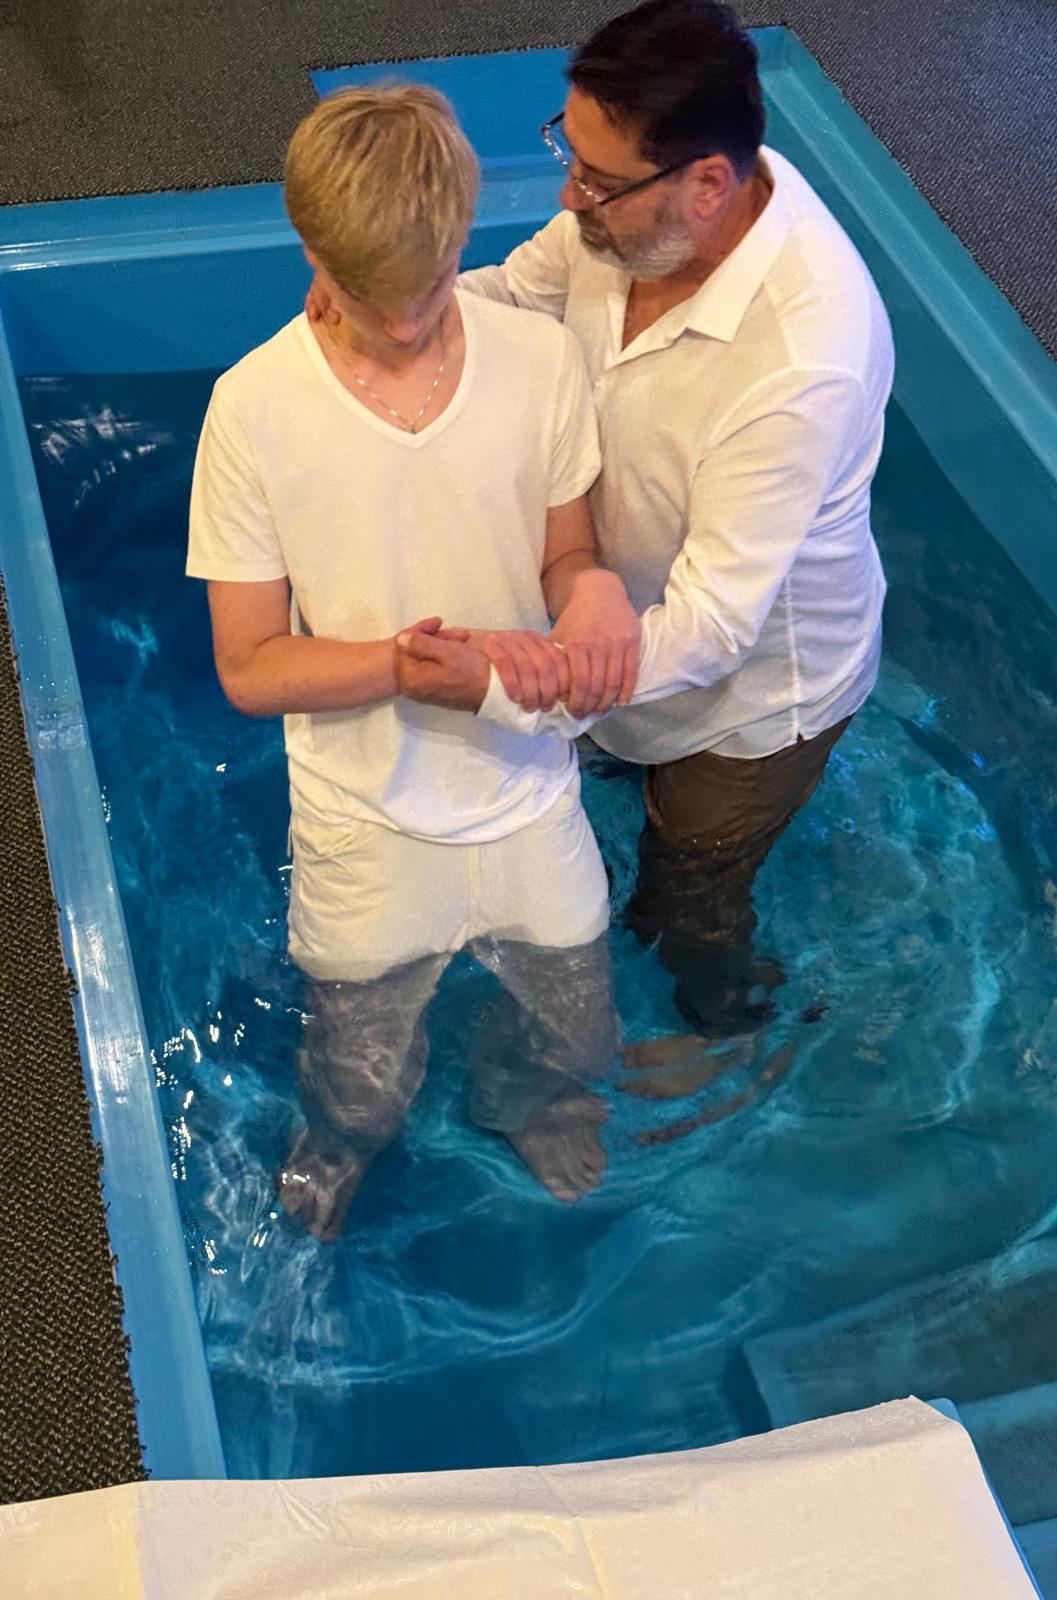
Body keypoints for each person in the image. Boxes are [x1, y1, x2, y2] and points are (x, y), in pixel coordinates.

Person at [384, 0, 896, 1043]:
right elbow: (511, 297)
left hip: (751, 701)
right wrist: (387, 307)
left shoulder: (804, 362)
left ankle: (730, 1033)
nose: (567, 197)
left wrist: (510, 678)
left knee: (685, 907)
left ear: (707, 185)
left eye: (596, 180)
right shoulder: (634, 217)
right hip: (623, 611)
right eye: (567, 156)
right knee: (606, 776)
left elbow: (712, 630)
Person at [187, 83, 644, 1241]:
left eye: (431, 288)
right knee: (362, 1091)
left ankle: (521, 1099)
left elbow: (567, 551)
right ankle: (340, 1140)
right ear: (312, 252)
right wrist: (402, 666)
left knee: (582, 1039)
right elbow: (249, 667)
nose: (401, 326)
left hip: (522, 781)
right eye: (368, 295)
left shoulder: (538, 362)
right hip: (364, 807)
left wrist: (591, 595)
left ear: (461, 241)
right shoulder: (252, 410)